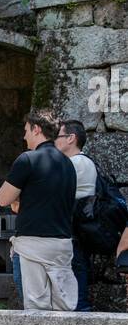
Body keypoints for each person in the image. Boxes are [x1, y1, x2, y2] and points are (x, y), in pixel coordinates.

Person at [0, 110, 77, 325]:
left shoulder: (27, 160)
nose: (23, 135)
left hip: (32, 244)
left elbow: (3, 197)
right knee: (63, 307)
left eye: (26, 130)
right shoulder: (68, 164)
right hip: (63, 244)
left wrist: (18, 200)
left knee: (37, 309)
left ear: (36, 129)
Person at [54, 119, 98, 311]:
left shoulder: (74, 163)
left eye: (59, 136)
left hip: (73, 232)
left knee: (75, 288)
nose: (55, 141)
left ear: (71, 138)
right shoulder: (85, 162)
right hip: (81, 231)